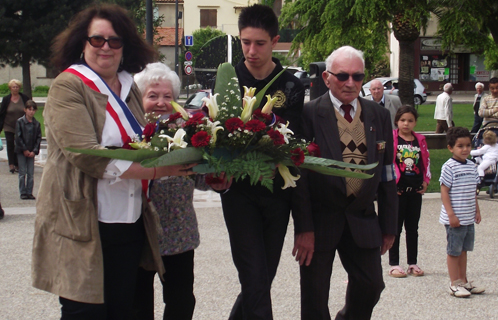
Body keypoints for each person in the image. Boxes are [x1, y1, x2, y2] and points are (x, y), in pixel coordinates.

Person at [31, 4, 196, 320]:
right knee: (85, 312)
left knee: (123, 311)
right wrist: (166, 168)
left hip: (129, 221)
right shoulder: (69, 85)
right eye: (97, 39)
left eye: (114, 40)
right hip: (83, 223)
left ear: (125, 46)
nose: (105, 47)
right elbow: (87, 155)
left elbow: (142, 142)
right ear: (83, 42)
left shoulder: (128, 86)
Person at [208, 4, 305, 319]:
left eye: (259, 43)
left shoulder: (291, 85)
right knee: (253, 277)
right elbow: (216, 132)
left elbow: (290, 138)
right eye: (245, 42)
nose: (251, 50)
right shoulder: (229, 78)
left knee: (262, 280)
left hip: (278, 194)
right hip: (240, 194)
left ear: (275, 40)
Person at [292, 46, 398, 319]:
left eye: (357, 76)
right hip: (321, 221)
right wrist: (303, 228)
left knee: (372, 286)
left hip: (362, 219)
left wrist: (389, 226)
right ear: (327, 78)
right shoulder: (309, 114)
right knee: (314, 299)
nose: (350, 83)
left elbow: (387, 174)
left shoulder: (379, 115)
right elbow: (299, 178)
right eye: (342, 76)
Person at [132, 62, 216, 320]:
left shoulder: (187, 132)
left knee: (181, 302)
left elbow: (202, 181)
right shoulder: (131, 134)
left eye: (167, 96)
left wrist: (218, 176)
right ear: (140, 98)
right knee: (138, 304)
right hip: (140, 232)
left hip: (179, 234)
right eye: (152, 96)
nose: (160, 102)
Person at [440, 127, 485, 298]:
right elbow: (444, 191)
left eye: (468, 145)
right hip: (455, 218)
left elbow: (472, 190)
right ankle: (454, 283)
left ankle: (463, 280)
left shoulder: (472, 166)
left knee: (464, 250)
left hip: (468, 217)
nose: (465, 149)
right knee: (454, 251)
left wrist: (477, 210)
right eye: (460, 146)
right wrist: (451, 214)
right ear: (450, 148)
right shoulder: (449, 167)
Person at [388, 106, 430, 278]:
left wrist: (426, 181)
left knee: (412, 228)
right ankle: (394, 264)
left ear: (415, 122)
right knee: (395, 228)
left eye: (410, 120)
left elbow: (426, 161)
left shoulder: (419, 140)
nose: (406, 123)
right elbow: (388, 162)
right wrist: (391, 185)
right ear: (397, 121)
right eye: (403, 120)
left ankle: (412, 262)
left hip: (415, 191)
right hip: (398, 190)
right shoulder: (392, 138)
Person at [0, 79, 31, 173]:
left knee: (19, 144)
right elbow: (2, 113)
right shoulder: (6, 99)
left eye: (17, 87)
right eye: (13, 87)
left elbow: (30, 109)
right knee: (10, 143)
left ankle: (18, 164)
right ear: (10, 88)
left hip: (21, 125)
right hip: (8, 125)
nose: (15, 88)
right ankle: (11, 164)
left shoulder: (24, 98)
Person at [14, 100, 41, 200]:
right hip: (22, 151)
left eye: (33, 110)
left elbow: (38, 138)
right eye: (29, 109)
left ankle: (29, 191)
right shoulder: (20, 122)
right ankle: (23, 192)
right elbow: (18, 137)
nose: (31, 112)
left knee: (30, 173)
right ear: (25, 110)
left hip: (31, 151)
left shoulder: (36, 124)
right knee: (22, 172)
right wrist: (24, 149)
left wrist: (34, 150)